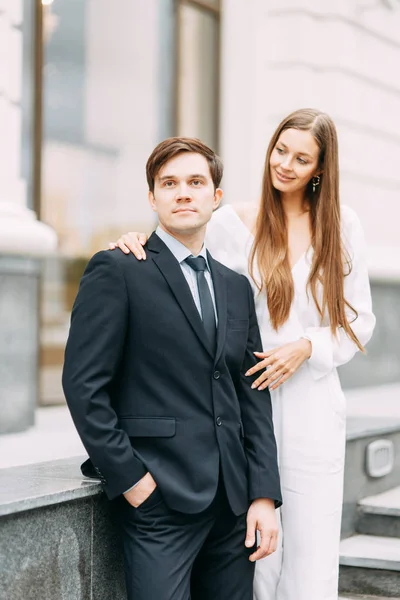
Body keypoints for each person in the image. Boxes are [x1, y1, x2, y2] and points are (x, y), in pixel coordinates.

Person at [110, 108, 376, 600]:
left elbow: (360, 318)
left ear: (320, 168)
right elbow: (184, 261)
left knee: (311, 546)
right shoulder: (233, 221)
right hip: (242, 401)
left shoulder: (342, 225)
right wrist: (132, 241)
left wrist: (307, 346)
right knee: (254, 551)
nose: (286, 165)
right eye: (280, 150)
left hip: (312, 402)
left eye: (301, 158)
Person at [62, 137, 282, 600]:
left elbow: (252, 396)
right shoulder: (117, 269)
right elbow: (83, 386)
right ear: (152, 198)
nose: (183, 193)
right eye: (170, 183)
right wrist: (133, 482)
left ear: (215, 198)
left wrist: (262, 494)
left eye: (196, 182)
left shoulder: (236, 286)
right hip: (158, 499)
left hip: (232, 505)